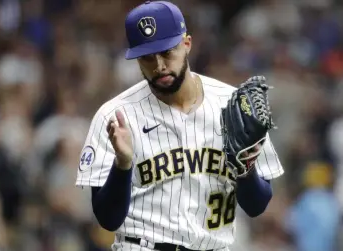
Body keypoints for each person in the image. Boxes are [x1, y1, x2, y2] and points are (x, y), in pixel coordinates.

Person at [75, 1, 284, 250]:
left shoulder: (234, 105)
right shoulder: (115, 116)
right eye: (147, 58)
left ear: (187, 44)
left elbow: (256, 206)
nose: (159, 65)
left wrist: (246, 168)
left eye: (166, 52)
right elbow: (108, 219)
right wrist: (123, 165)